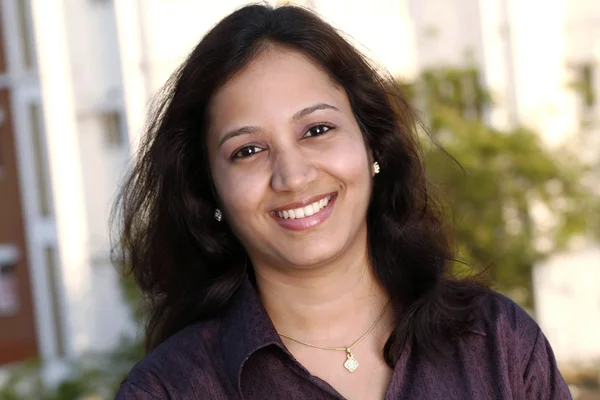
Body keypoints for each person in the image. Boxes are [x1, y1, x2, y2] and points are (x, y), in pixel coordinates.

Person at [113, 4, 571, 399]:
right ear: (209, 187)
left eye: (316, 130)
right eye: (248, 150)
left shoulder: (497, 343)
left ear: (372, 144)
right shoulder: (169, 390)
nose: (292, 176)